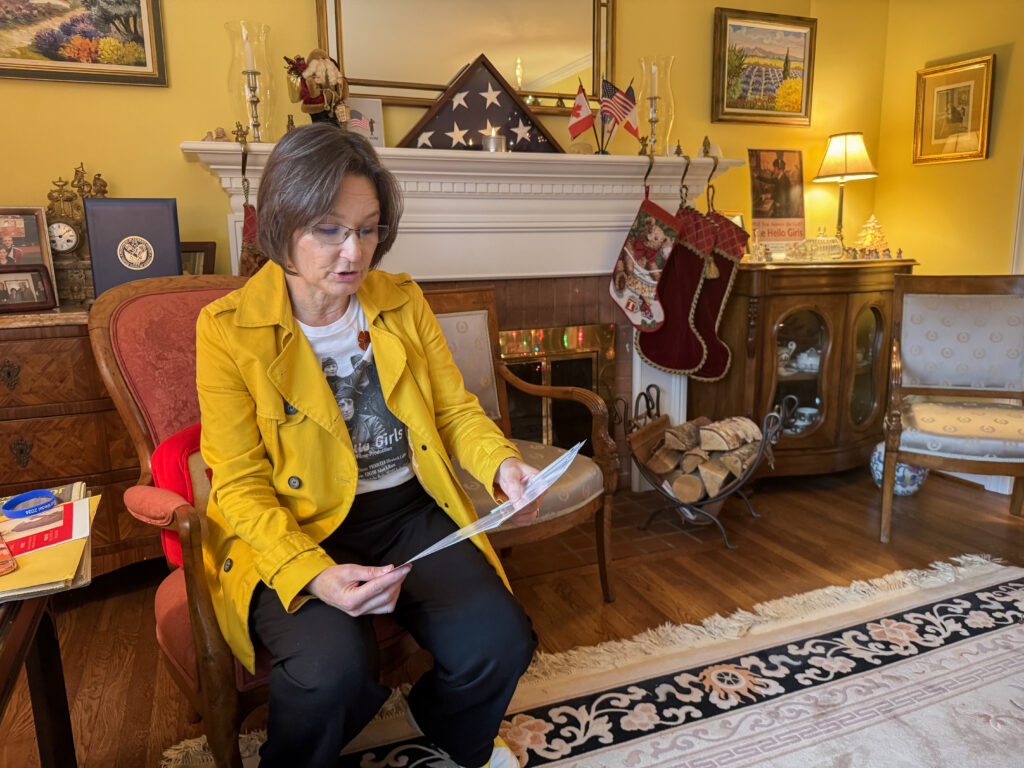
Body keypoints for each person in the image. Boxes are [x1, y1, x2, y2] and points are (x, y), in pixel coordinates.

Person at [196, 123, 541, 768]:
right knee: (333, 670)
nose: (353, 251)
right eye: (329, 228)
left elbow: (453, 409)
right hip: (296, 529)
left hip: (406, 516)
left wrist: (503, 464)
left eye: (368, 227)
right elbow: (237, 485)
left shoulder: (401, 301)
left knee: (501, 641)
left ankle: (445, 723)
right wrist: (313, 575)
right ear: (281, 225)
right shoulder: (226, 331)